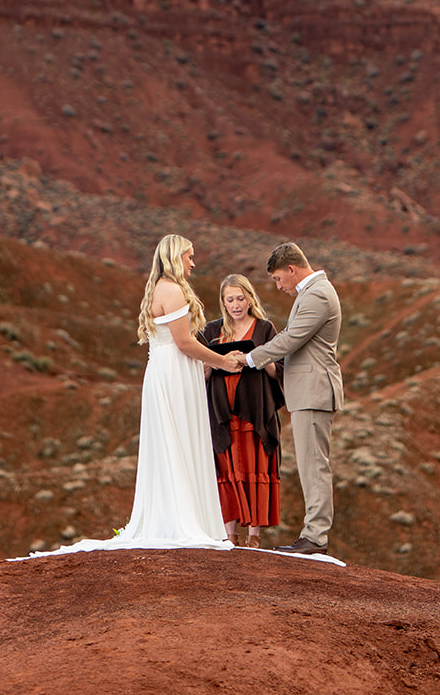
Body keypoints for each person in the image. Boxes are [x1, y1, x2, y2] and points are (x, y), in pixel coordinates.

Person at [22, 233, 243, 558]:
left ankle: (178, 515)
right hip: (174, 372)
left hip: (165, 370)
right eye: (189, 256)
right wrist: (223, 361)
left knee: (173, 442)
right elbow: (184, 342)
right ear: (175, 256)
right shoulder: (173, 289)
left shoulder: (159, 288)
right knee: (177, 439)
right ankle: (183, 520)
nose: (193, 263)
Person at [240, 242, 343, 556]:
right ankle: (312, 534)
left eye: (277, 279)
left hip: (314, 391)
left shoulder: (318, 295)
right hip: (306, 392)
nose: (278, 286)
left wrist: (248, 359)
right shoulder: (312, 294)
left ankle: (315, 537)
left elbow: (291, 338)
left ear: (291, 269)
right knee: (310, 465)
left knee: (314, 466)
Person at [201, 274, 284, 547]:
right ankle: (230, 536)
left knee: (254, 466)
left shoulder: (264, 328)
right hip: (222, 412)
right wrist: (217, 361)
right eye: (230, 299)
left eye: (240, 298)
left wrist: (258, 358)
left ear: (250, 298)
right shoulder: (212, 332)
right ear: (223, 303)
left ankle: (254, 538)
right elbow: (197, 372)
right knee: (228, 469)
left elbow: (278, 372)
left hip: (255, 410)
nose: (236, 304)